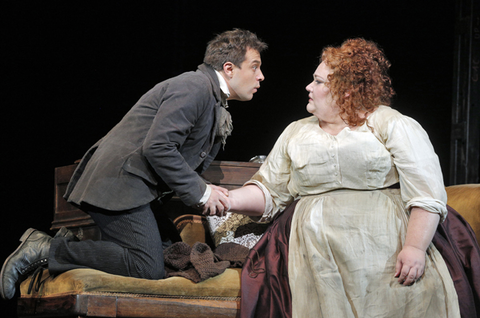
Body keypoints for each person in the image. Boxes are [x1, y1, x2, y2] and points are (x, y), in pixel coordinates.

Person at [0, 28, 267, 300]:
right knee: (147, 266)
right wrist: (202, 192)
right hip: (119, 183)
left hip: (137, 188)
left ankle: (70, 245)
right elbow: (159, 147)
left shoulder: (209, 96)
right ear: (229, 68)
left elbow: (178, 157)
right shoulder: (195, 87)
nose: (260, 76)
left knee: (172, 256)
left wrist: (204, 190)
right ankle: (46, 249)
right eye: (255, 67)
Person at [221, 38, 460, 317]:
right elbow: (270, 191)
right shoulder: (297, 132)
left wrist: (415, 248)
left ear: (345, 91)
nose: (309, 87)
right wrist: (226, 198)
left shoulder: (391, 123)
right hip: (313, 251)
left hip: (386, 246)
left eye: (319, 82)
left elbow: (426, 192)